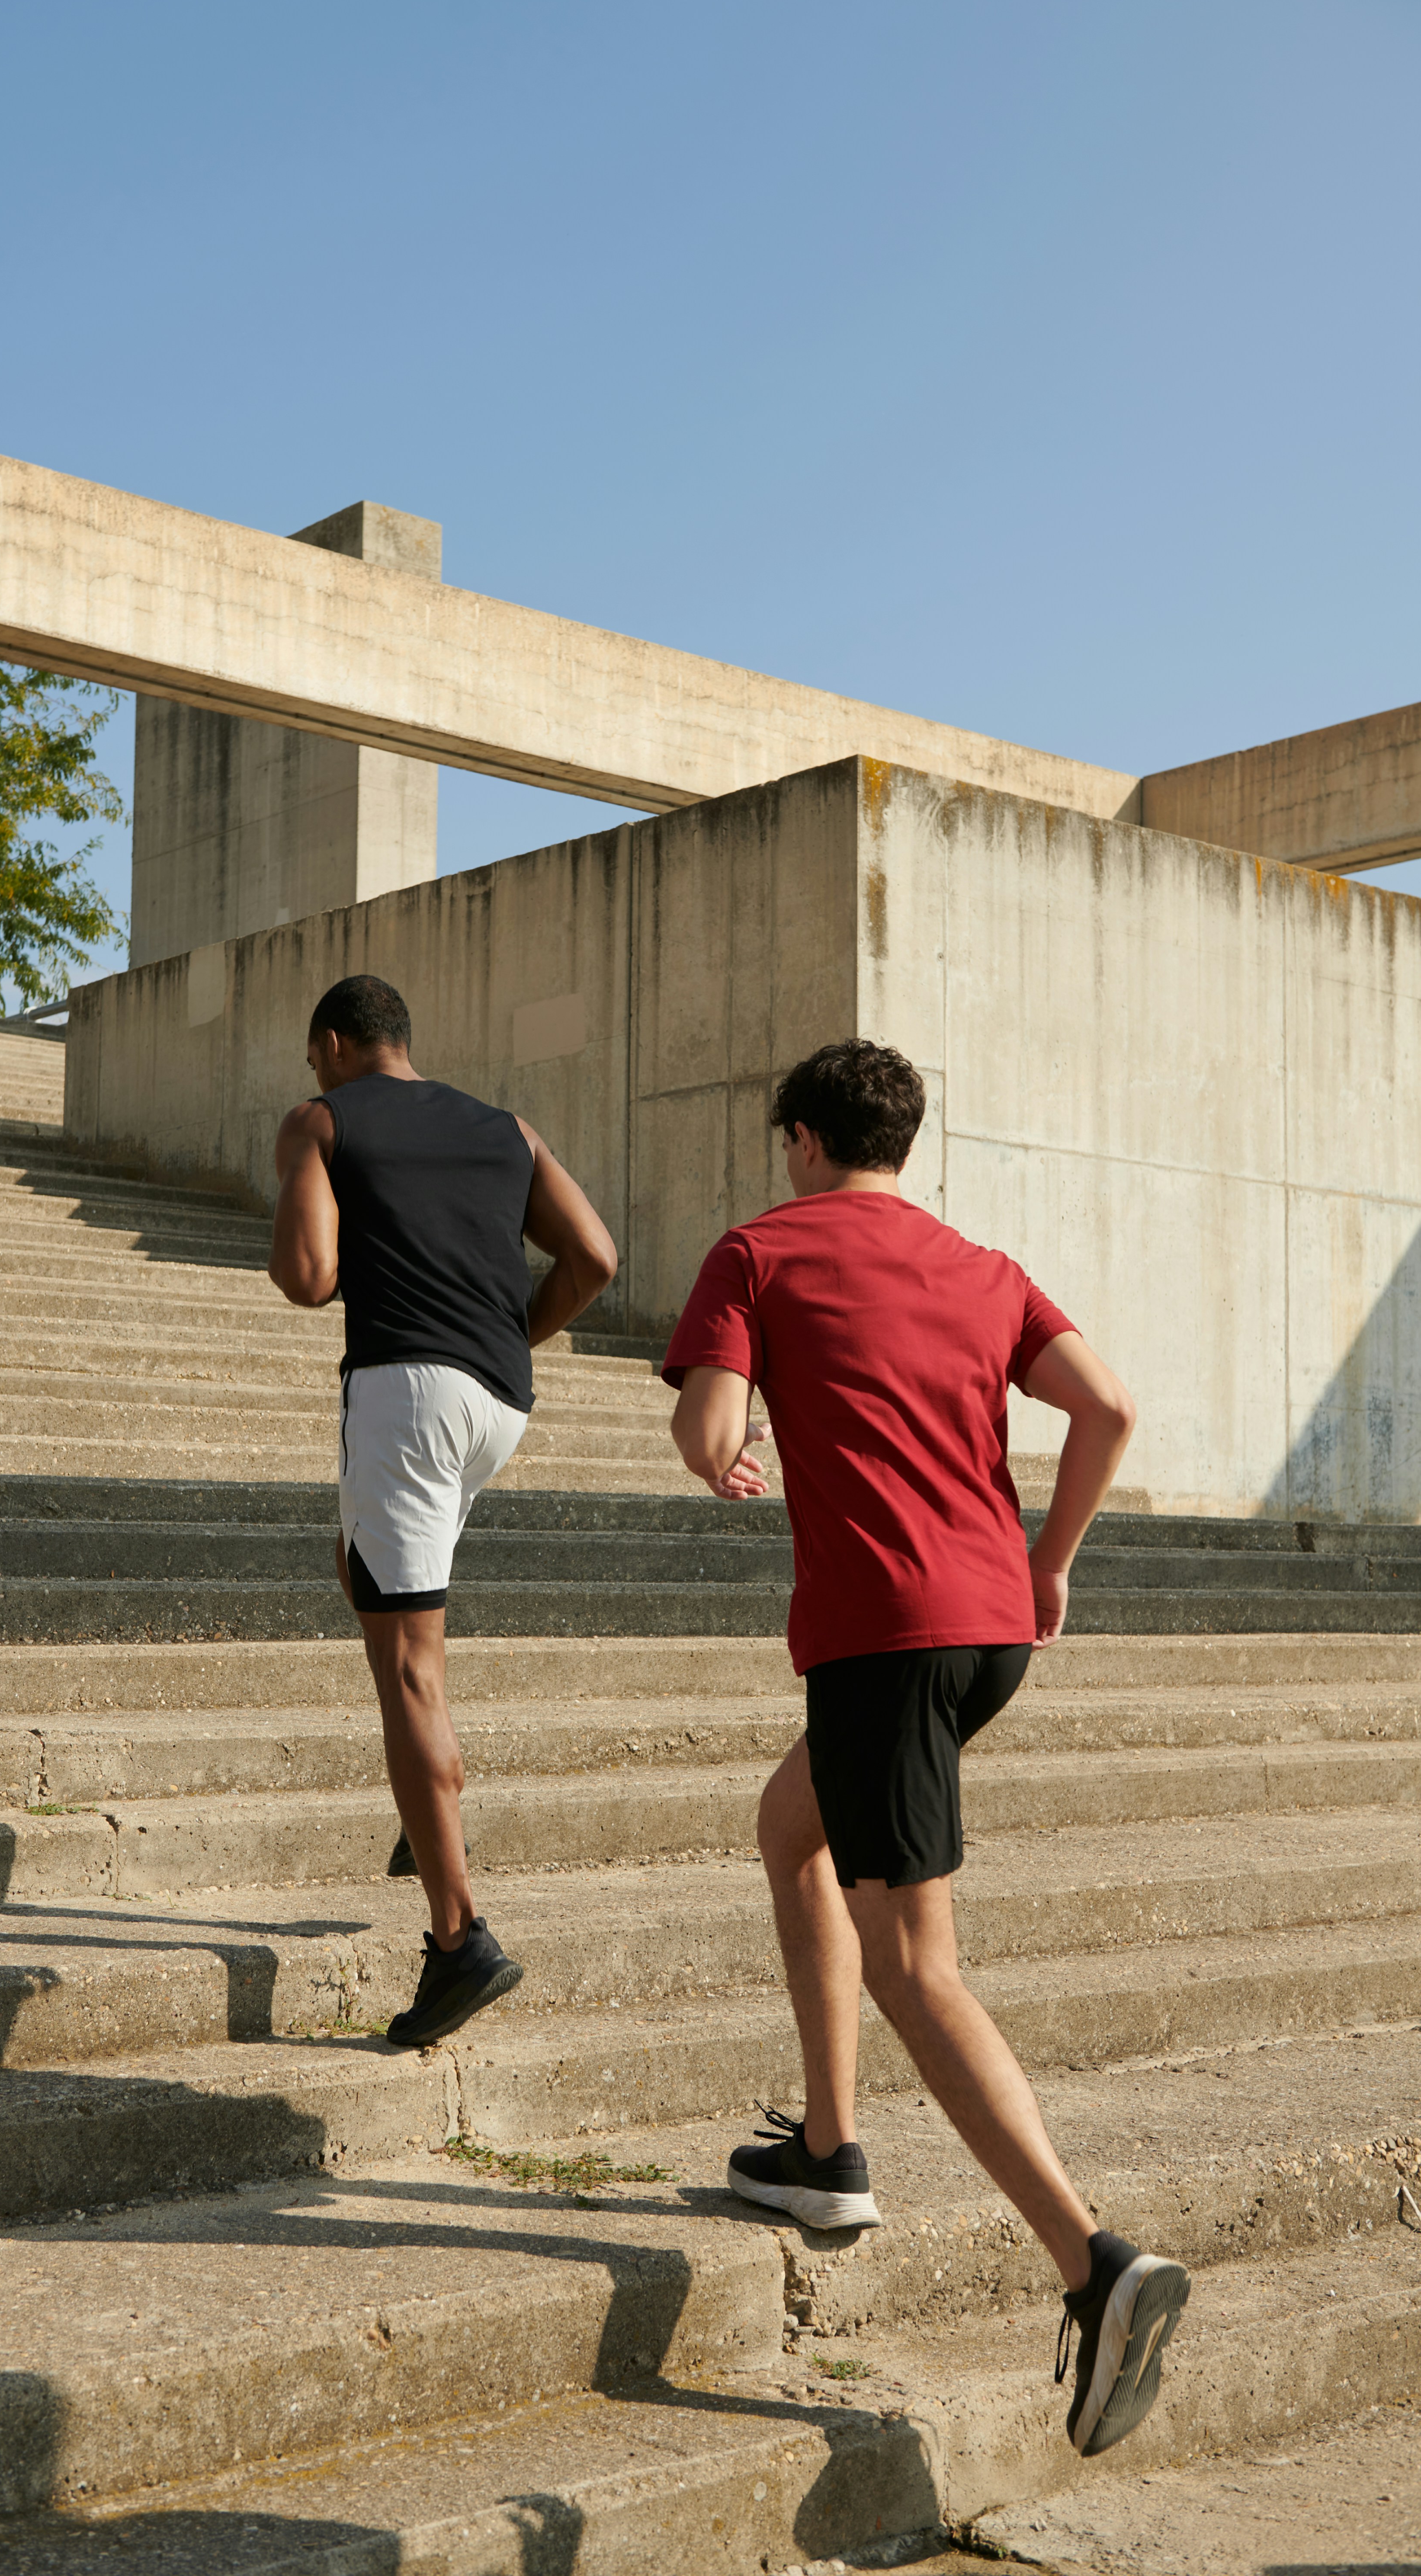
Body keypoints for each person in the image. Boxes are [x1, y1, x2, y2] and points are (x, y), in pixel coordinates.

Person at [662, 1037, 1190, 2463]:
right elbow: (1111, 1408)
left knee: (913, 1963)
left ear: (803, 1142)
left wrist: (716, 1445)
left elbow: (708, 1427)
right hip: (988, 1632)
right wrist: (1054, 1559)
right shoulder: (984, 1266)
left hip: (883, 1639)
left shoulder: (758, 1254)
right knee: (795, 1830)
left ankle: (1095, 2266)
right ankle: (828, 2152)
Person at [269, 973, 618, 2049]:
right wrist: (509, 1335)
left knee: (409, 1669)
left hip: (406, 1395)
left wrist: (298, 1175)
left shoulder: (320, 1119)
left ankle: (458, 1938)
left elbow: (308, 1277)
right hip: (497, 1402)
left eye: (315, 1055)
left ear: (333, 1044)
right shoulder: (504, 1126)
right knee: (365, 1567)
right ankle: (428, 1819)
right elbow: (596, 1258)